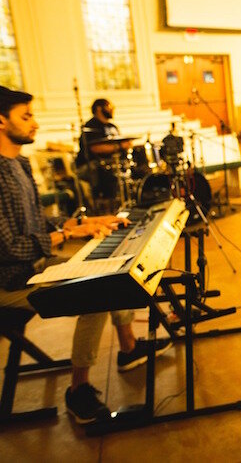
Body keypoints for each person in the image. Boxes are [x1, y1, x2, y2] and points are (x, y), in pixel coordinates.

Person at [0, 86, 171, 425]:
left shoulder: (18, 163)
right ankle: (78, 389)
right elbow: (8, 248)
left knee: (111, 272)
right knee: (93, 293)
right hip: (9, 281)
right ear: (1, 121)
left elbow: (38, 220)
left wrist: (86, 221)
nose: (34, 123)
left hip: (34, 265)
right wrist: (66, 234)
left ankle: (128, 348)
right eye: (26, 116)